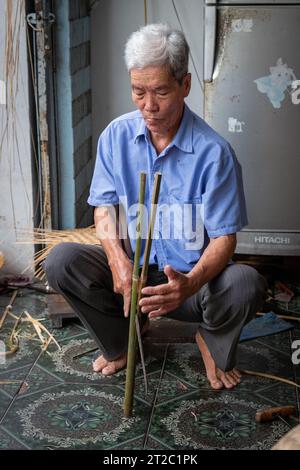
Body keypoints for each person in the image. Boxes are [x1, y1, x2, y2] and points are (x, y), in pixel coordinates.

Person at [45, 23, 266, 390]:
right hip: (134, 280)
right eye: (138, 91)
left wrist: (189, 284)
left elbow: (226, 238)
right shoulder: (116, 137)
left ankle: (210, 339)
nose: (149, 105)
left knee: (245, 283)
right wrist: (118, 263)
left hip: (191, 285)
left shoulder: (214, 154)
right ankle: (122, 342)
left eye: (161, 91)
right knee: (61, 261)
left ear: (185, 85)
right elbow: (103, 207)